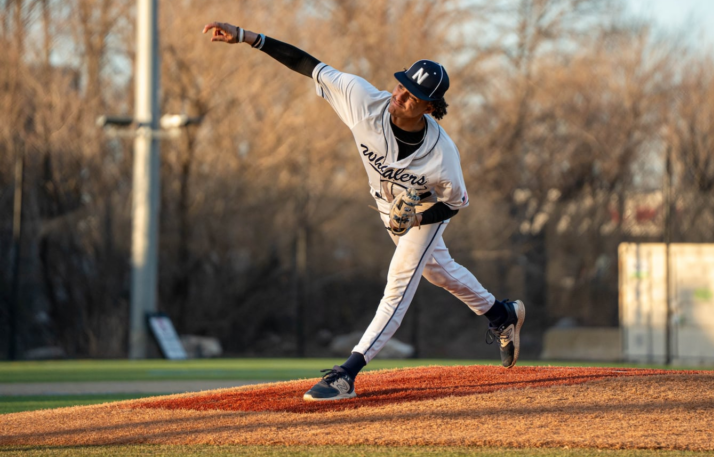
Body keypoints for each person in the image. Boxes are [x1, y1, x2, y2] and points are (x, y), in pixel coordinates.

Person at [202, 22, 525, 401]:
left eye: (413, 93)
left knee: (399, 286)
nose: (401, 93)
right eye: (402, 84)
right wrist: (245, 37)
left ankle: (347, 373)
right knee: (438, 271)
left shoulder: (442, 156)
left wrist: (418, 219)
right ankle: (501, 314)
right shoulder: (361, 98)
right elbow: (308, 64)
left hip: (422, 210)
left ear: (429, 107)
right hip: (387, 206)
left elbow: (454, 203)